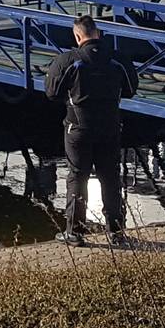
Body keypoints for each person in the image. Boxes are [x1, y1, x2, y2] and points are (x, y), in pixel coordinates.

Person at [41, 15, 135, 244]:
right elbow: (131, 89)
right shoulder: (118, 60)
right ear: (98, 33)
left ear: (77, 36)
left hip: (78, 129)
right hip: (110, 127)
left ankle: (75, 232)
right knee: (110, 178)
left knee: (77, 177)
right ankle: (116, 232)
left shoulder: (68, 60)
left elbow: (51, 92)